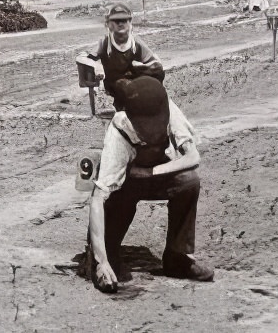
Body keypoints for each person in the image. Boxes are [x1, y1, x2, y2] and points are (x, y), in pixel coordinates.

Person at [88, 76, 213, 293]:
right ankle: (106, 254)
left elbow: (192, 157)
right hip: (126, 183)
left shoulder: (167, 107)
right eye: (147, 129)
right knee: (117, 199)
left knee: (189, 181)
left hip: (154, 175)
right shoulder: (119, 130)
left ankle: (178, 257)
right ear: (134, 121)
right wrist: (102, 260)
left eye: (158, 126)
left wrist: (149, 172)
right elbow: (99, 196)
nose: (155, 133)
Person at [84, 2, 164, 111]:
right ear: (108, 24)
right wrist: (97, 65)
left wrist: (145, 67)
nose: (120, 24)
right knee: (122, 85)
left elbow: (155, 63)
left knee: (158, 73)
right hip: (115, 86)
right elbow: (85, 58)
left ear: (130, 22)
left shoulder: (136, 43)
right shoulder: (105, 43)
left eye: (124, 20)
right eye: (116, 21)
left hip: (135, 83)